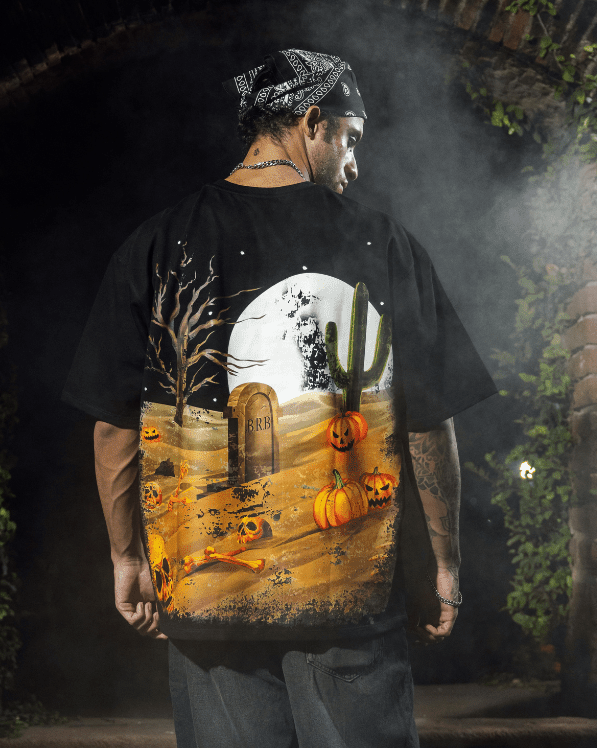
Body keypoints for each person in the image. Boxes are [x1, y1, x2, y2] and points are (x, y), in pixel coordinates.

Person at [63, 49, 496, 748]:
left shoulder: (156, 244)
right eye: (350, 139)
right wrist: (444, 564)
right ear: (312, 122)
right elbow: (426, 424)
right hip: (352, 600)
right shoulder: (383, 242)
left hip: (206, 598)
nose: (354, 164)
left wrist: (127, 557)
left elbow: (115, 428)